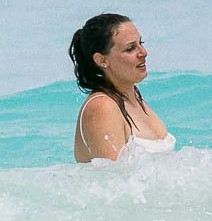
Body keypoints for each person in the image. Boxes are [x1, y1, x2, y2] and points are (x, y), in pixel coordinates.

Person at [70, 13, 175, 162]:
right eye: (130, 48)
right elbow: (114, 179)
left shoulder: (134, 97)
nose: (143, 53)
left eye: (141, 43)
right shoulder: (102, 107)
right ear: (102, 60)